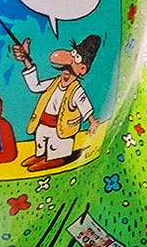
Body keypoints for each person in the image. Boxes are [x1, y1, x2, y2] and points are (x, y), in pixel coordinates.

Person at [11, 35, 97, 171]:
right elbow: (36, 86)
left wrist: (92, 122)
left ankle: (55, 159)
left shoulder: (76, 90)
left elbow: (84, 104)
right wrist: (26, 60)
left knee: (55, 145)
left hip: (61, 128)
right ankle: (41, 155)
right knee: (40, 140)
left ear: (82, 69)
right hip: (44, 122)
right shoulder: (54, 82)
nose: (65, 73)